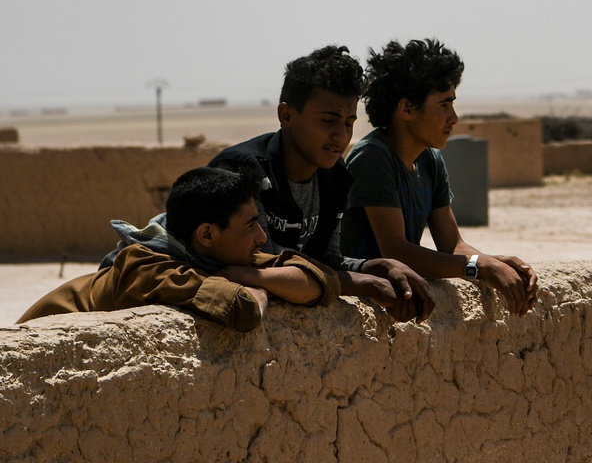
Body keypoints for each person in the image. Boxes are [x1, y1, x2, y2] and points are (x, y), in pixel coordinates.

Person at [208, 44, 433, 322]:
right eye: (329, 121)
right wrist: (362, 282)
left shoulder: (335, 176)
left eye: (349, 123)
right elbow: (263, 269)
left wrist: (378, 266)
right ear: (287, 115)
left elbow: (327, 260)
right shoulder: (243, 172)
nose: (341, 136)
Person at [341, 38, 538, 317]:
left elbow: (452, 244)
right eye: (444, 105)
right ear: (407, 109)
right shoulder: (373, 157)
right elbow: (398, 251)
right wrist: (479, 267)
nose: (454, 117)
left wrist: (492, 262)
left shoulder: (429, 158)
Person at [18, 166, 347, 331]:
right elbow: (242, 310)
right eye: (250, 226)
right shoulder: (146, 266)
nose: (261, 237)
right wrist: (257, 282)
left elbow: (322, 280)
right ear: (206, 234)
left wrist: (250, 274)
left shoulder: (222, 254)